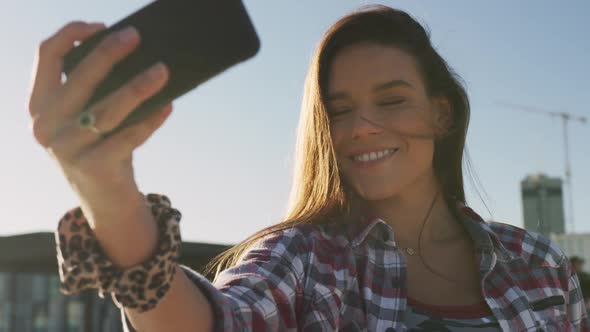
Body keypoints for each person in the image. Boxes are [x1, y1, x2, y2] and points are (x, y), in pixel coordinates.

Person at [28, 5, 588, 331]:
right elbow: (220, 321)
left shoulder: (539, 265)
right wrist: (108, 190)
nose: (361, 126)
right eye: (339, 111)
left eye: (391, 100)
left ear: (441, 113)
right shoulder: (303, 258)